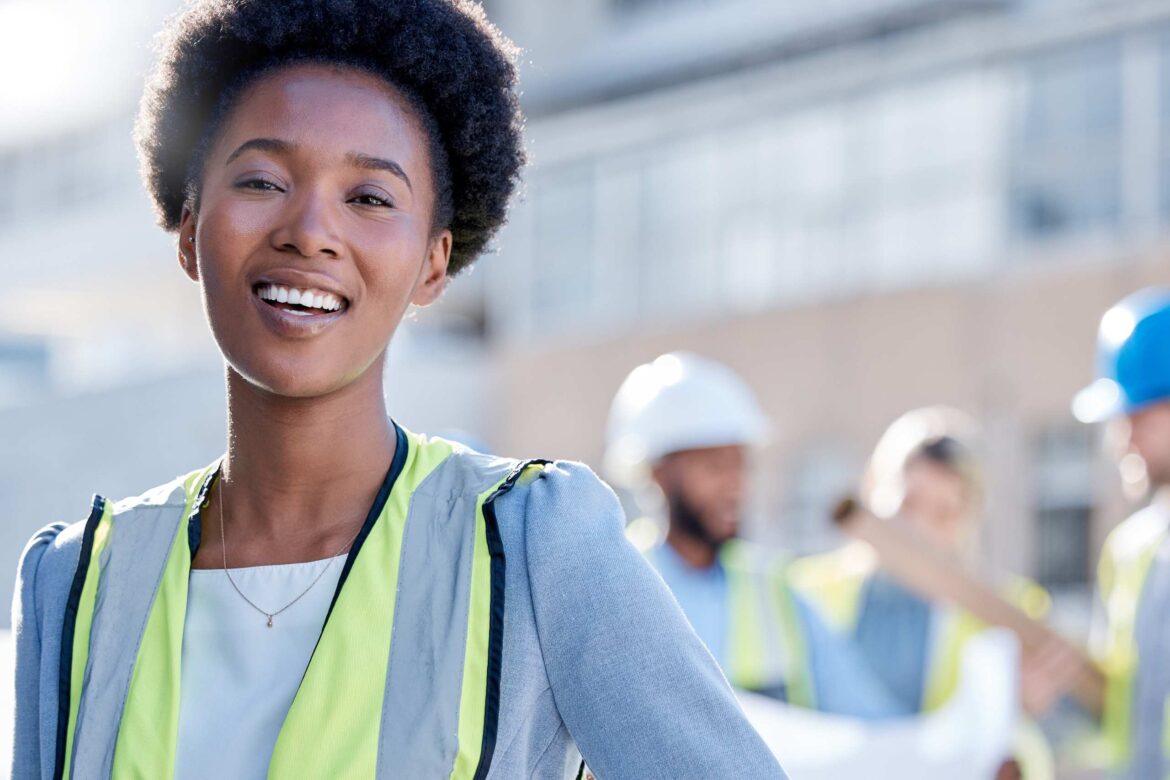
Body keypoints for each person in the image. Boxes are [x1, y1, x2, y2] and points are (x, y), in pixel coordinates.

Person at [10, 3, 785, 777]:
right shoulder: (76, 584)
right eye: (261, 180)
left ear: (433, 264)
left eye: (371, 198)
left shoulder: (533, 543)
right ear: (189, 229)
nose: (309, 229)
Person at [604, 351, 908, 718]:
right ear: (659, 474)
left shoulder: (778, 592)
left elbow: (870, 720)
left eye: (740, 465)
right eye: (714, 467)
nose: (735, 485)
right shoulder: (614, 589)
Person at [789, 407, 1058, 778]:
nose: (919, 530)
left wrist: (1021, 716)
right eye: (908, 502)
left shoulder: (1010, 615)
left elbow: (1030, 750)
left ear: (969, 520)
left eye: (944, 513)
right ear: (872, 488)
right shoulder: (803, 592)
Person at [1072, 287, 1170, 779]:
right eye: (1118, 421)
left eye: (1140, 416)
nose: (1123, 439)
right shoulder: (1129, 551)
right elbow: (1113, 716)